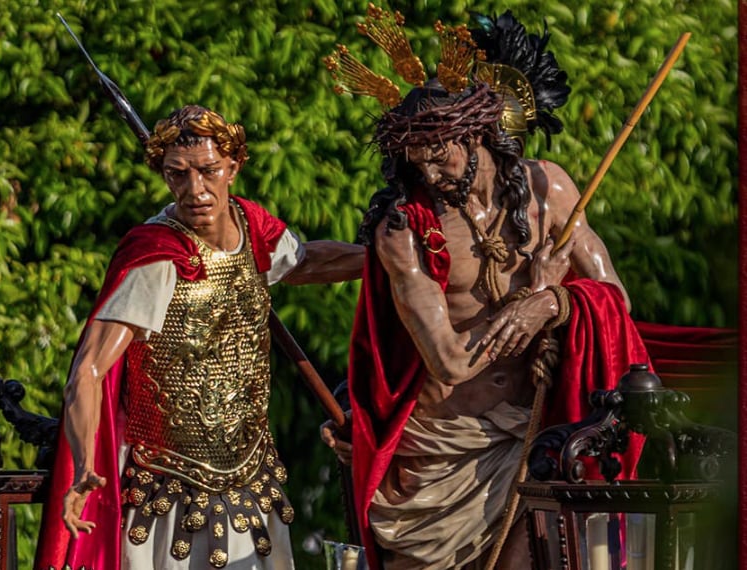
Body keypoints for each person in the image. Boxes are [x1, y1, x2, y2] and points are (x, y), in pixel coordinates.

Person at [321, 9, 650, 570]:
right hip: (440, 454)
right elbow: (448, 359)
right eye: (416, 163)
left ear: (476, 133)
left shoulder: (551, 191)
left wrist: (555, 301)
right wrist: (528, 309)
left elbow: (615, 302)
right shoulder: (404, 233)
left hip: (535, 438)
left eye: (440, 156)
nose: (430, 176)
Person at [35, 104, 364, 570]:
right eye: (178, 175)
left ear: (233, 166)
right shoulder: (155, 255)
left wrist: (381, 259)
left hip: (251, 480)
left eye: (208, 171)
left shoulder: (255, 230)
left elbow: (305, 262)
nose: (195, 190)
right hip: (167, 492)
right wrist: (85, 465)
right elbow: (88, 371)